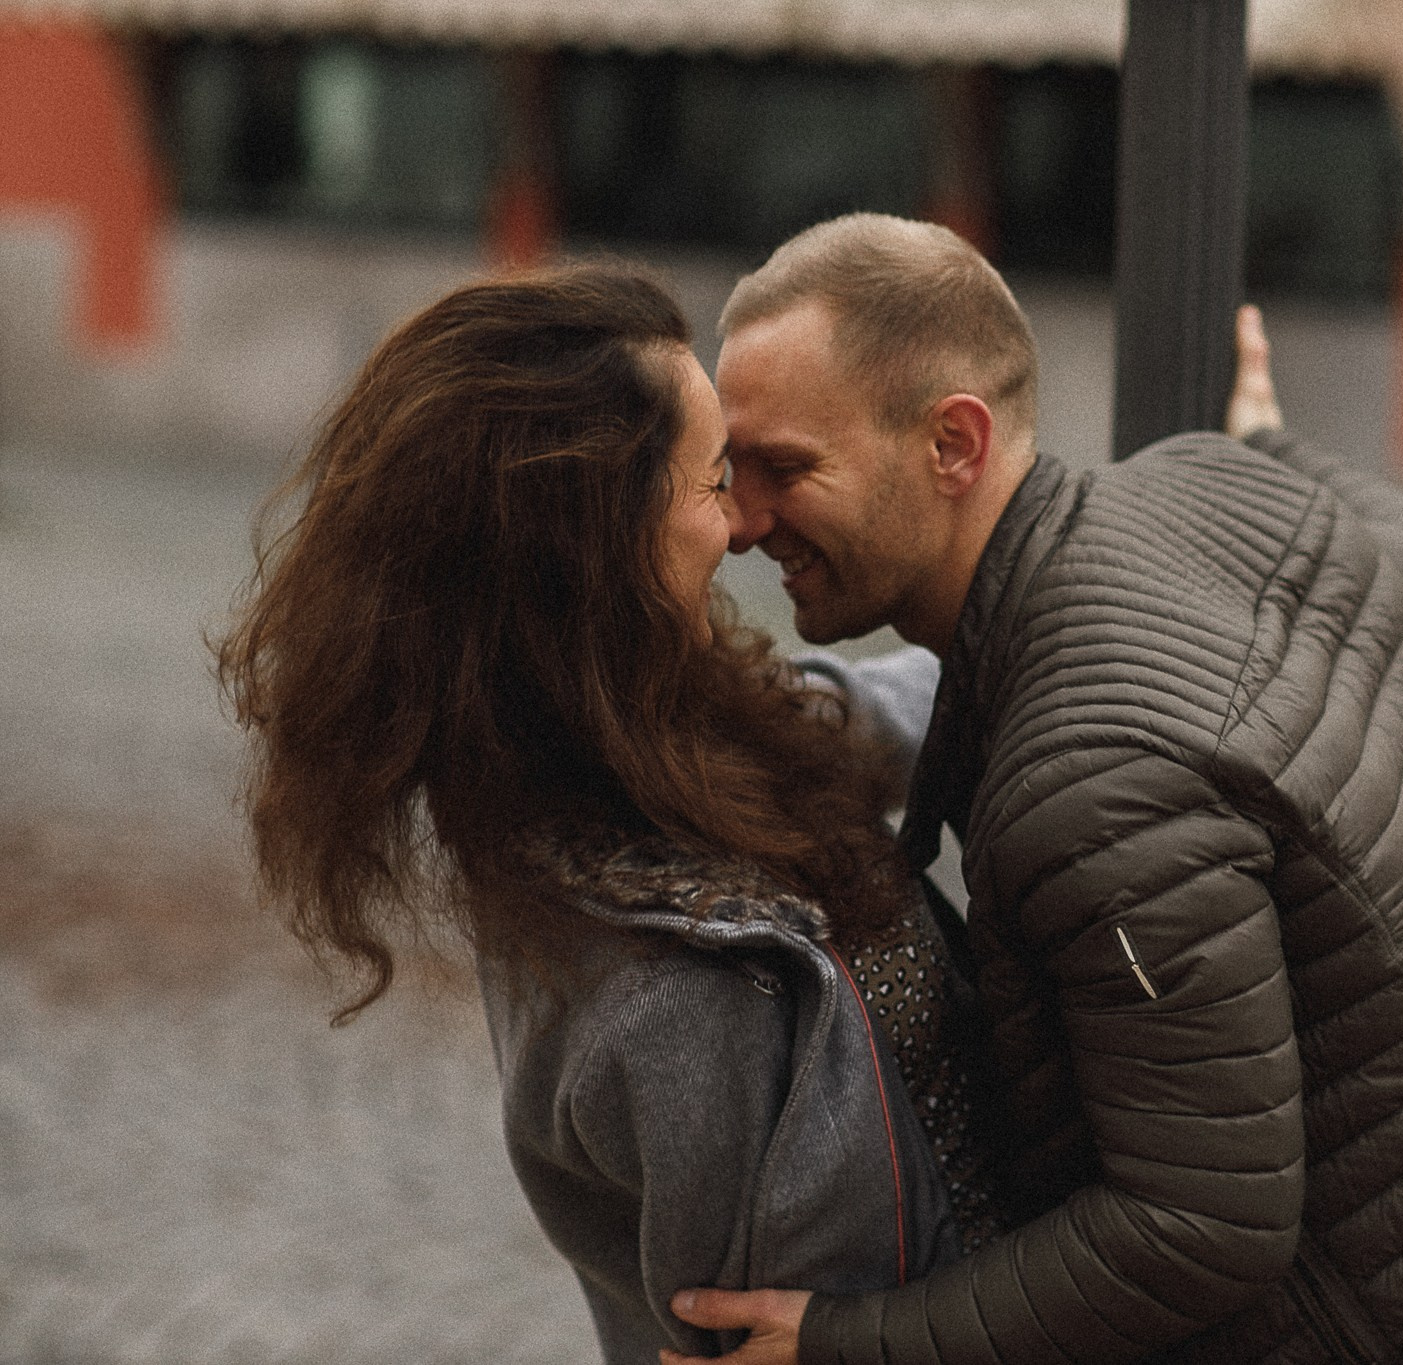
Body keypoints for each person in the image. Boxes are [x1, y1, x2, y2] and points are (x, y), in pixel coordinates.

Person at [663, 214, 1403, 1365]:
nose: (747, 522)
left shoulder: (1093, 788)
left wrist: (849, 1344)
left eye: (787, 469)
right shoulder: (1214, 485)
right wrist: (1276, 457)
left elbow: (1202, 1226)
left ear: (953, 445)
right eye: (733, 470)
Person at [213, 265, 990, 1364]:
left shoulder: (631, 730)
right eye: (711, 482)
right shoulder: (679, 990)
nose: (741, 527)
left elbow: (878, 713)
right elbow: (771, 1330)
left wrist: (1061, 596)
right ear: (592, 546)